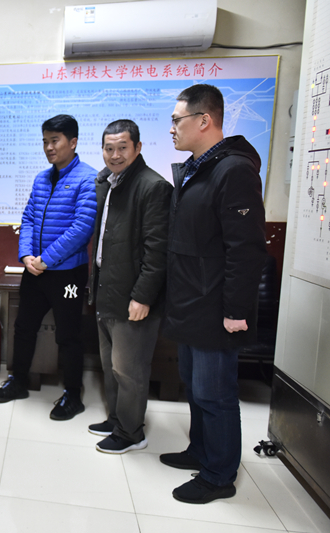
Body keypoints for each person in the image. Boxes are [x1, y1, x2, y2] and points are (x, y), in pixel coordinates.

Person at [160, 84, 267, 504]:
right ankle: (201, 450)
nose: (171, 128)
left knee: (215, 393)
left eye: (177, 120)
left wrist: (236, 310)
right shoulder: (197, 169)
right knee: (193, 384)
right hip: (191, 301)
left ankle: (219, 475)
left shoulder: (233, 170)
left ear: (204, 120)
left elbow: (246, 249)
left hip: (216, 307)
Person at [0, 114, 97, 422]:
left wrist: (46, 259)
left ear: (73, 142)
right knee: (23, 327)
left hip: (67, 274)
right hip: (35, 270)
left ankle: (73, 395)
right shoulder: (41, 178)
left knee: (69, 334)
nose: (49, 147)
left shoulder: (88, 178)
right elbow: (28, 218)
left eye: (55, 141)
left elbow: (81, 229)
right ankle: (18, 381)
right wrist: (26, 256)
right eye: (45, 141)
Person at [86, 120, 172, 454]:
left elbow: (157, 252)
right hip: (107, 290)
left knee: (130, 370)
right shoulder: (107, 183)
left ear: (137, 147)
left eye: (122, 147)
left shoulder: (153, 187)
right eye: (109, 148)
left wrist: (142, 297)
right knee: (111, 366)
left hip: (133, 298)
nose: (115, 155)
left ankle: (131, 432)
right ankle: (117, 419)